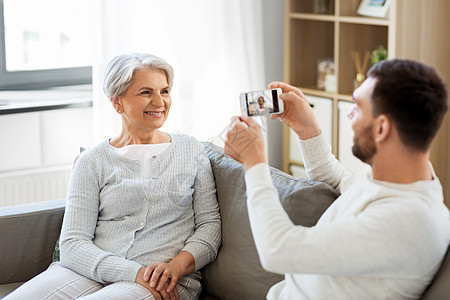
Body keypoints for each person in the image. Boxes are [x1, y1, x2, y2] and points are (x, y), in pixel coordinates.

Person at [224, 59, 450, 299]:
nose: (349, 114)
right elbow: (343, 184)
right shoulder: (407, 176)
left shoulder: (407, 222)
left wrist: (255, 164)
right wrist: (307, 129)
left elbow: (277, 250)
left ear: (382, 128)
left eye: (358, 107)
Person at [5, 53, 221, 300]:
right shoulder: (92, 161)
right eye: (146, 92)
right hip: (91, 270)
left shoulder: (191, 150)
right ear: (117, 102)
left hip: (162, 280)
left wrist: (177, 267)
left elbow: (210, 225)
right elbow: (73, 244)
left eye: (164, 91)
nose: (159, 101)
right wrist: (133, 272)